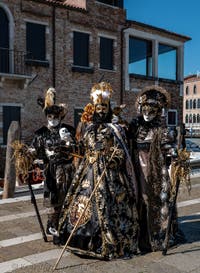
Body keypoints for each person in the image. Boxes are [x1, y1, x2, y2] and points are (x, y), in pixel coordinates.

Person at [56, 82, 138, 260]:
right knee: (83, 203)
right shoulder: (89, 128)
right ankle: (80, 238)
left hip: (108, 173)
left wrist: (111, 158)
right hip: (88, 170)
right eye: (98, 107)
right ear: (93, 108)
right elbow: (82, 148)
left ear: (108, 108)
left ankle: (106, 241)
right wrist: (68, 144)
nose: (101, 110)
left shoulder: (116, 129)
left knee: (109, 206)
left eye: (104, 107)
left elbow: (122, 152)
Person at [128, 85, 183, 253]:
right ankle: (138, 234)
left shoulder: (161, 129)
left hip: (156, 170)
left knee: (156, 199)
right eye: (145, 110)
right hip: (137, 169)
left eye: (151, 111)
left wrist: (175, 154)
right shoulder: (135, 127)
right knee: (138, 199)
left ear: (157, 112)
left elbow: (168, 147)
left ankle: (156, 234)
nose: (147, 114)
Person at [30, 87, 76, 235]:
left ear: (60, 116)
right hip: (50, 170)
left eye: (55, 116)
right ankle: (52, 225)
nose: (52, 119)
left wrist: (70, 141)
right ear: (47, 117)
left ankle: (65, 225)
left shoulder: (69, 130)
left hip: (67, 170)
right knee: (52, 198)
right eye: (50, 117)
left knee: (67, 197)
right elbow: (34, 150)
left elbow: (77, 149)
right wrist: (27, 155)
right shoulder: (41, 133)